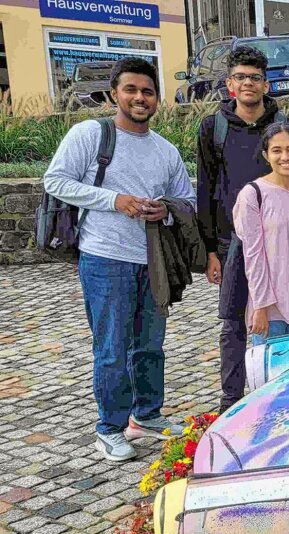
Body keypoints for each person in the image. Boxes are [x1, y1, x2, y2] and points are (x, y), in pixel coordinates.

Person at [43, 57, 195, 462]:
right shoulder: (91, 134)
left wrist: (164, 209)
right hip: (104, 258)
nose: (139, 98)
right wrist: (115, 200)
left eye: (147, 91)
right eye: (131, 90)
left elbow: (187, 199)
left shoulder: (165, 150)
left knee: (150, 345)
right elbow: (55, 180)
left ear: (157, 99)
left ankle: (147, 414)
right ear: (114, 94)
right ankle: (109, 427)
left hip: (153, 258)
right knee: (111, 347)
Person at [195, 45, 289, 411]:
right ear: (229, 84)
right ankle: (231, 400)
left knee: (283, 316)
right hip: (232, 241)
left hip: (280, 241)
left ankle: (279, 393)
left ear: (266, 84)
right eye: (240, 77)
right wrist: (210, 251)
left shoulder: (284, 127)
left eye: (255, 77)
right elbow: (206, 187)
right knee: (234, 323)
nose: (248, 83)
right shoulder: (214, 128)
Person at [234, 120, 289, 345]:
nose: (285, 157)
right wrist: (260, 306)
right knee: (271, 377)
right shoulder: (253, 194)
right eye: (277, 150)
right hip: (270, 309)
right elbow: (253, 255)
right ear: (266, 155)